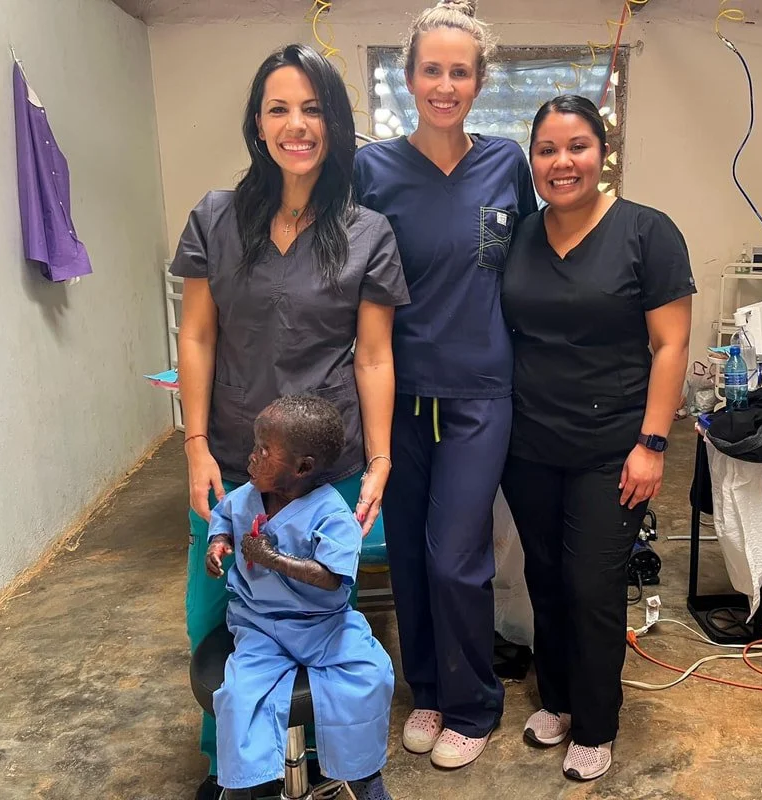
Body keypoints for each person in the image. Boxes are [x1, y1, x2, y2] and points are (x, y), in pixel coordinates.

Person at [170, 44, 409, 799]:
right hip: (232, 456)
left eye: (312, 109)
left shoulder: (367, 230)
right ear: (256, 122)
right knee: (216, 616)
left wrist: (379, 460)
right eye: (278, 108)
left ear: (334, 123)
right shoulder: (215, 217)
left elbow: (374, 356)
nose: (295, 125)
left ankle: (338, 761)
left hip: (324, 468)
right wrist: (195, 444)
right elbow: (196, 336)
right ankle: (232, 765)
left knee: (322, 619)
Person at [352, 0, 538, 770]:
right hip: (396, 394)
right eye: (431, 69)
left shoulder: (505, 164)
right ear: (407, 77)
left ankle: (472, 704)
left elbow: (531, 268)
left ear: (479, 82)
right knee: (409, 553)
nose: (444, 84)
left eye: (459, 72)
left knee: (456, 555)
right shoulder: (371, 171)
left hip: (479, 393)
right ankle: (427, 690)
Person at [500, 95, 694, 782]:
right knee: (545, 577)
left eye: (577, 146)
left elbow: (670, 346)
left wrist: (653, 443)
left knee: (591, 584)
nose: (562, 162)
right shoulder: (522, 236)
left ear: (602, 153)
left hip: (612, 447)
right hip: (528, 444)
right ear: (532, 160)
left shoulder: (647, 232)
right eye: (547, 149)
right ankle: (556, 700)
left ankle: (596, 721)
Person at [205, 396, 395, 800]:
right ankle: (250, 785)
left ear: (303, 468)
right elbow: (223, 517)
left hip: (324, 626)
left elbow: (331, 577)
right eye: (255, 445)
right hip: (260, 625)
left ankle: (362, 774)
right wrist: (218, 543)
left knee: (371, 676)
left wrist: (275, 560)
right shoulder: (247, 496)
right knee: (239, 695)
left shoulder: (332, 515)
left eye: (264, 451)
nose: (251, 457)